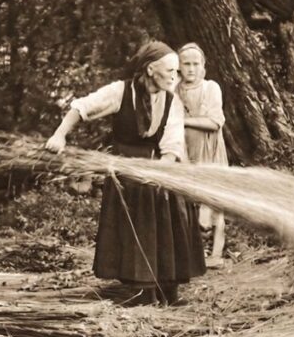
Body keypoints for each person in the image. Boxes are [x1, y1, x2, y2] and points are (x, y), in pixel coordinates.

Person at [45, 41, 206, 305]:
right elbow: (82, 108)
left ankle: (168, 290)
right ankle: (143, 291)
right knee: (137, 228)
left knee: (170, 222)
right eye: (170, 70)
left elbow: (173, 142)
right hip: (125, 172)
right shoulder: (120, 92)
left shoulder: (172, 101)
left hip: (158, 168)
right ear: (151, 69)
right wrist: (59, 135)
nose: (175, 76)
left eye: (176, 71)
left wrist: (160, 172)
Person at [176, 42, 228, 267]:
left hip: (209, 149)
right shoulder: (174, 90)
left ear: (203, 65)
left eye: (195, 64)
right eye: (186, 64)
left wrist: (183, 121)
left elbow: (214, 122)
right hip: (184, 150)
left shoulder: (210, 88)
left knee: (214, 200)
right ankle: (191, 253)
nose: (191, 69)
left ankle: (215, 254)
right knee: (186, 200)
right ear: (178, 66)